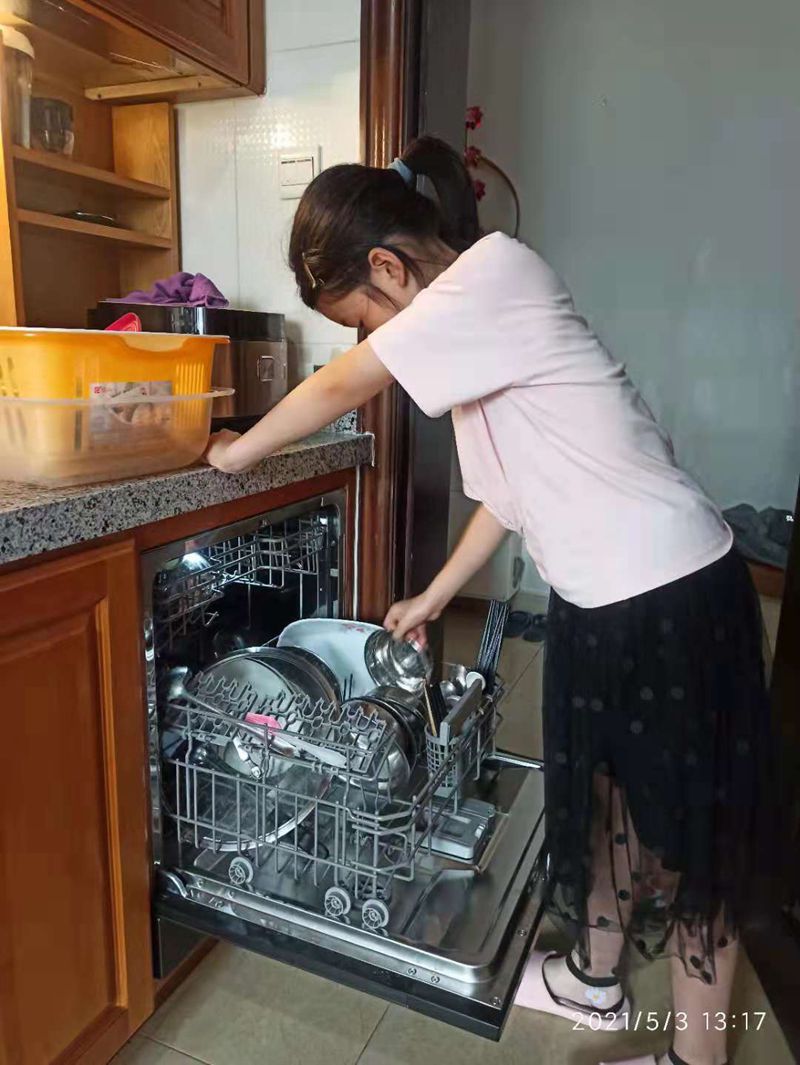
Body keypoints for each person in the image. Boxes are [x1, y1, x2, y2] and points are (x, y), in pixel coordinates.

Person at [204, 136, 773, 1065]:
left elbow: (347, 382)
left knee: (688, 842)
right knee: (602, 802)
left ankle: (698, 1059)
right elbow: (508, 496)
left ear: (389, 267)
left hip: (670, 596)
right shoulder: (476, 332)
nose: (370, 341)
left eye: (363, 318)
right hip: (602, 600)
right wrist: (433, 594)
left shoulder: (495, 274)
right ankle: (593, 981)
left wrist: (235, 452)